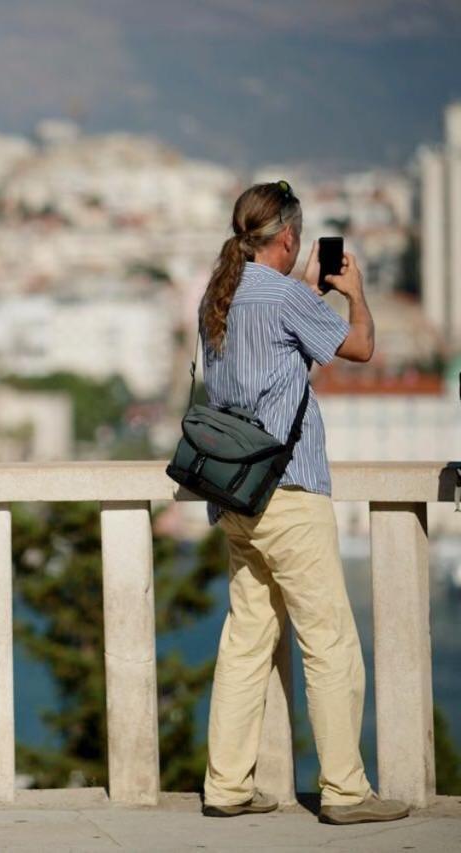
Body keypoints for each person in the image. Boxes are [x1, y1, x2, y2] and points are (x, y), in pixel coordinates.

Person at [197, 181, 408, 825]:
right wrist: (355, 296)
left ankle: (227, 785)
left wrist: (310, 293)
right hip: (288, 492)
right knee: (331, 640)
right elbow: (361, 349)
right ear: (288, 237)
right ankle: (345, 791)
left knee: (246, 638)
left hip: (233, 491)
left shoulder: (219, 295)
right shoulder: (286, 296)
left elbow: (272, 350)